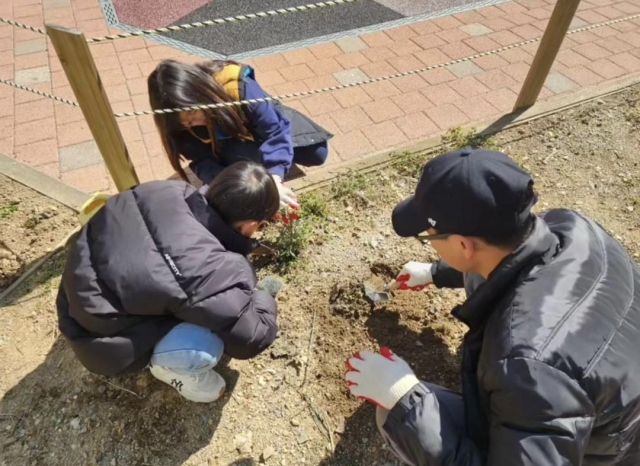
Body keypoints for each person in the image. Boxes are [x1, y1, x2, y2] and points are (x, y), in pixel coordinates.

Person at [345, 147, 640, 465]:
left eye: (429, 237)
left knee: (392, 414)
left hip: (607, 445)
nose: (430, 243)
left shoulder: (527, 370)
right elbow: (504, 260)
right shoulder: (571, 227)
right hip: (612, 382)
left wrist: (404, 399)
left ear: (462, 244)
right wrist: (435, 272)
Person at [57, 162, 280, 403]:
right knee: (205, 344)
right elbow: (252, 339)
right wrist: (260, 296)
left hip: (74, 300)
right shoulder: (213, 269)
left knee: (182, 298)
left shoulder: (168, 190)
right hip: (99, 346)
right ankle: (169, 368)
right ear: (250, 225)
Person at [147, 59, 333, 210]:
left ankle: (271, 147)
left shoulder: (235, 85)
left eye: (193, 115)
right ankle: (250, 160)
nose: (192, 124)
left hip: (258, 124)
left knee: (317, 153)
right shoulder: (176, 123)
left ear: (197, 94)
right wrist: (230, 185)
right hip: (230, 142)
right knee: (249, 166)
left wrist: (275, 178)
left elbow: (274, 130)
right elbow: (201, 160)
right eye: (185, 124)